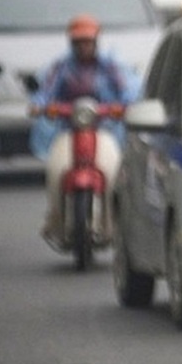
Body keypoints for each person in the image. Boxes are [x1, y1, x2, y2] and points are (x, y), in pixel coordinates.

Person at [30, 14, 140, 245]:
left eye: (87, 41)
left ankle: (114, 224)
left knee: (114, 173)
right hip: (68, 130)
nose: (83, 46)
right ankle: (55, 220)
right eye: (79, 42)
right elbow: (45, 93)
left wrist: (123, 107)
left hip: (104, 130)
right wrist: (40, 106)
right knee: (55, 170)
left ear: (96, 41)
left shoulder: (110, 67)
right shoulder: (61, 67)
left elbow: (128, 91)